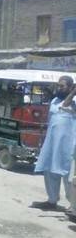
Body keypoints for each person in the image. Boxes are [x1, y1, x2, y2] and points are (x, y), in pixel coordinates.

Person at [32, 76, 76, 212]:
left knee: (68, 176)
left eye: (62, 86)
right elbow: (50, 121)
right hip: (52, 143)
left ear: (70, 87)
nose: (58, 88)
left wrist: (73, 93)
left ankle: (73, 205)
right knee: (49, 172)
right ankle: (52, 201)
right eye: (58, 85)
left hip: (68, 145)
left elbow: (65, 106)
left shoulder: (73, 101)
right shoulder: (54, 101)